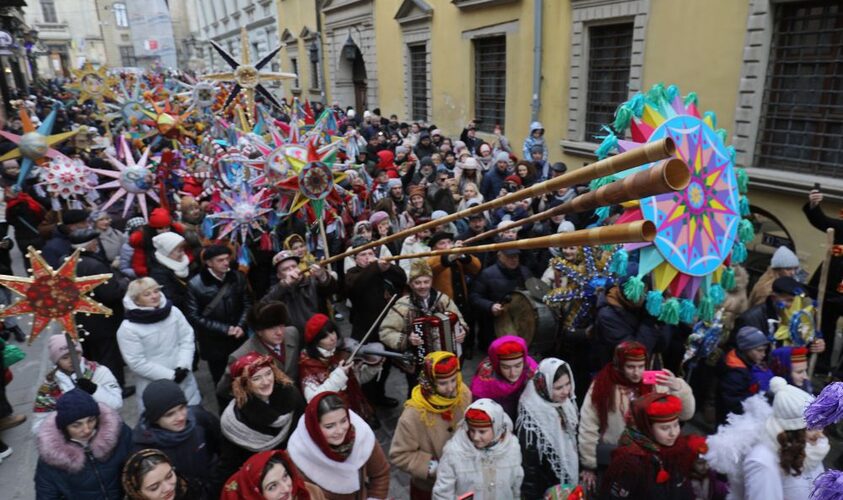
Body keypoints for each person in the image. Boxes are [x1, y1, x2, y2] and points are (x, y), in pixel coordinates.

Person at [578, 341, 695, 492]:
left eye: (641, 367)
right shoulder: (602, 385)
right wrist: (589, 465)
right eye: (630, 367)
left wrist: (678, 388)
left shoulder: (655, 383)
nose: (636, 372)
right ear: (619, 364)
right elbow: (588, 425)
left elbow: (686, 414)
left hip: (651, 459)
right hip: (615, 457)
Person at [389, 351, 472, 499]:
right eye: (443, 383)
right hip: (430, 487)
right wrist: (433, 468)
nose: (450, 388)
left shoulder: (463, 393)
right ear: (430, 382)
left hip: (464, 479)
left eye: (453, 380)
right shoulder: (412, 415)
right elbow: (399, 455)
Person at [380, 259, 467, 389]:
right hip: (416, 362)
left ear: (431, 281)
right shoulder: (402, 305)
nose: (423, 286)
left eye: (426, 282)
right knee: (418, 390)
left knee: (446, 388)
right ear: (411, 284)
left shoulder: (443, 299)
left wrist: (462, 331)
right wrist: (407, 339)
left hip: (445, 359)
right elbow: (386, 331)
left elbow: (459, 320)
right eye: (417, 282)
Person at [117, 278, 200, 413]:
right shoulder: (128, 328)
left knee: (194, 417)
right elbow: (136, 362)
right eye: (147, 294)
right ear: (136, 300)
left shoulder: (173, 311)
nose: (154, 296)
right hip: (155, 384)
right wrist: (171, 376)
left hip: (184, 376)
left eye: (156, 291)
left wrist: (183, 366)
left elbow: (187, 337)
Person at [218, 352, 305, 481]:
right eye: (256, 378)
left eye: (268, 373)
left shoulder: (291, 394)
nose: (266, 382)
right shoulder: (234, 421)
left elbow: (304, 428)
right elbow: (230, 464)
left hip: (299, 465)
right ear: (243, 384)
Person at [286, 392, 389, 499]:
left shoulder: (361, 434)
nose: (340, 431)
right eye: (330, 426)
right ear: (315, 428)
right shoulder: (297, 456)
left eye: (344, 421)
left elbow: (380, 474)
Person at [34, 389, 133, 499]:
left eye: (91, 420)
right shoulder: (51, 455)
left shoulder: (119, 432)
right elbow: (46, 493)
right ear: (64, 427)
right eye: (76, 425)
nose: (86, 430)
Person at [742, 377, 829, 499]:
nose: (820, 434)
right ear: (792, 431)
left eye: (820, 425)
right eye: (810, 428)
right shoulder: (763, 462)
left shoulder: (811, 447)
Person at [344, 240, 406, 407]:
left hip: (387, 328)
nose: (367, 257)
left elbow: (402, 278)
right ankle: (367, 404)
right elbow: (355, 287)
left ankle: (380, 396)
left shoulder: (383, 270)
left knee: (385, 367)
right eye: (363, 255)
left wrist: (389, 267)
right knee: (367, 368)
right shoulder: (352, 273)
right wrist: (375, 268)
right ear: (355, 259)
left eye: (370, 253)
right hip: (365, 330)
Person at [132, 379, 221, 495]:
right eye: (170, 414)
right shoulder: (143, 448)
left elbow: (221, 449)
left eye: (182, 407)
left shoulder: (200, 419)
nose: (181, 417)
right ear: (154, 418)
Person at [600, 393, 698, 499]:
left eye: (676, 425)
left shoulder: (679, 449)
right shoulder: (630, 462)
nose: (673, 433)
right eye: (665, 428)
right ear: (648, 428)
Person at [72, 228, 131, 395]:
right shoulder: (94, 265)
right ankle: (116, 388)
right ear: (91, 245)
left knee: (91, 356)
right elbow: (110, 293)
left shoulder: (66, 260)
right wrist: (124, 283)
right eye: (95, 243)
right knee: (109, 356)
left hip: (81, 318)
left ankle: (98, 387)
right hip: (102, 319)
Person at [186, 244, 252, 387]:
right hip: (214, 343)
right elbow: (194, 316)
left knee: (245, 376)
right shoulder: (196, 284)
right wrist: (225, 329)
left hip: (239, 338)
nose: (225, 263)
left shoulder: (237, 277)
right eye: (220, 260)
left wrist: (241, 325)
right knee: (222, 381)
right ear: (209, 263)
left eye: (227, 259)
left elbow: (247, 303)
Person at [432, 398, 523, 499]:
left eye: (482, 432)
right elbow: (442, 493)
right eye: (472, 430)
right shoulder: (454, 452)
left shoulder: (511, 448)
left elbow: (516, 485)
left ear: (496, 427)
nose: (475, 437)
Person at [32, 335, 123, 434]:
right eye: (65, 357)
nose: (72, 360)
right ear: (56, 361)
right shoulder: (49, 387)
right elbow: (38, 427)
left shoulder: (99, 372)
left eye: (76, 354)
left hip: (105, 431)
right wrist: (64, 418)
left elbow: (116, 404)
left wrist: (94, 390)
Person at [516, 357, 579, 498]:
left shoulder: (564, 403)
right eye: (558, 387)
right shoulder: (532, 417)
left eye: (568, 384)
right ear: (544, 385)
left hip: (564, 484)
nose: (566, 391)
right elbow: (529, 468)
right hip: (545, 489)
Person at [217, 301, 301, 407]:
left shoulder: (292, 333)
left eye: (281, 325)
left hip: (297, 401)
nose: (279, 332)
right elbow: (223, 390)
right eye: (271, 328)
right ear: (258, 331)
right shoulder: (241, 355)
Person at [298, 314, 378, 422]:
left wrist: (374, 367)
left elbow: (357, 381)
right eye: (325, 336)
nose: (332, 338)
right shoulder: (308, 365)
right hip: (333, 416)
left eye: (332, 332)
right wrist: (339, 374)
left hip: (352, 408)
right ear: (316, 341)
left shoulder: (339, 352)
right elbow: (313, 399)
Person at [469, 249, 533, 351]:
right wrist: (490, 306)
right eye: (509, 257)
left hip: (520, 324)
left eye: (516, 257)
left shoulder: (525, 272)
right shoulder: (487, 274)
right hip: (494, 327)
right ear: (500, 256)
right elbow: (474, 297)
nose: (513, 260)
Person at [262, 250, 337, 334]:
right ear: (278, 275)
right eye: (285, 269)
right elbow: (263, 307)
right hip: (295, 339)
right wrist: (285, 285)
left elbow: (332, 291)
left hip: (320, 334)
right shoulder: (277, 290)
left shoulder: (312, 281)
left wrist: (322, 276)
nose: (292, 271)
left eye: (294, 266)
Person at [470, 335, 537, 422]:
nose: (513, 373)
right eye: (506, 367)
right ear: (496, 364)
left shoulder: (530, 368)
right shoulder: (485, 379)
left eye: (518, 366)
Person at [716, 326, 774, 424]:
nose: (763, 354)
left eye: (764, 350)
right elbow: (734, 402)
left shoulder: (743, 360)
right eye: (759, 350)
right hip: (732, 420)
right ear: (746, 349)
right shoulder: (735, 373)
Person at [221, 449, 327, 499]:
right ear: (255, 495)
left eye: (285, 476)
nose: (286, 489)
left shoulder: (310, 492)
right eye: (272, 486)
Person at [122, 448, 203, 500]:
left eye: (169, 476)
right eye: (154, 487)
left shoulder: (187, 486)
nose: (168, 488)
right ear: (138, 492)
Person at [147, 232, 192, 312]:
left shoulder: (182, 262)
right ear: (166, 253)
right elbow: (170, 298)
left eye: (183, 249)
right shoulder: (158, 273)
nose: (183, 253)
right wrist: (193, 298)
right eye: (179, 251)